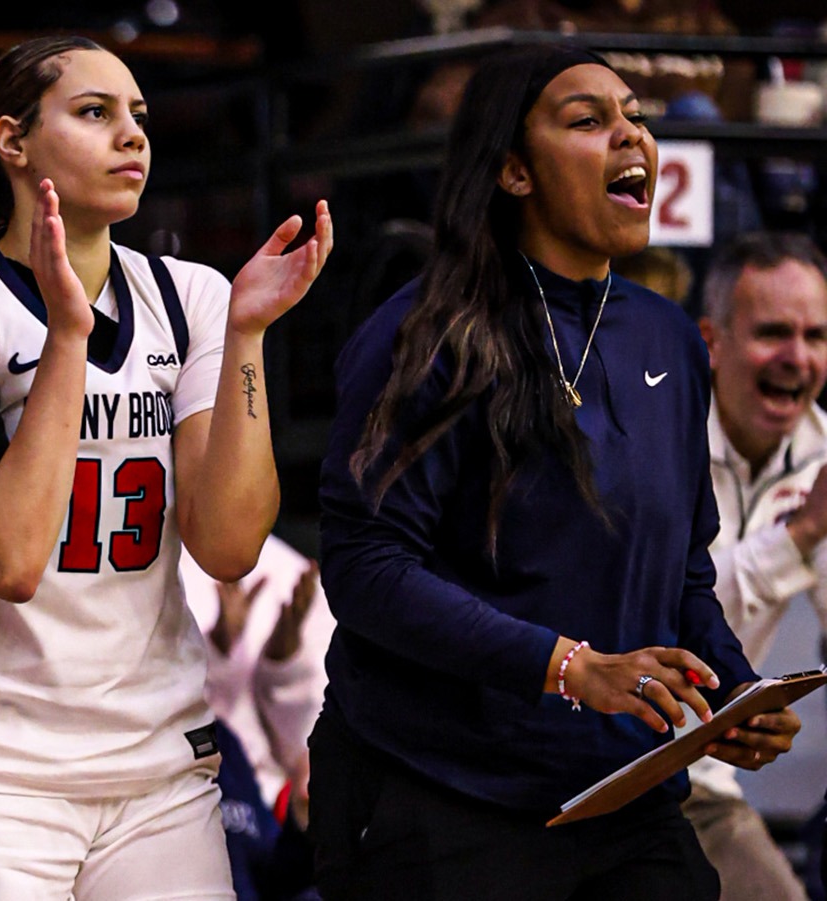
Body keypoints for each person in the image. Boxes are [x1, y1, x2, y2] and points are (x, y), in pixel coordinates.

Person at [316, 45, 801, 901]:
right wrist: (568, 666)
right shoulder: (426, 336)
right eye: (588, 121)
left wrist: (732, 689)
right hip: (440, 794)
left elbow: (682, 573)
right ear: (513, 171)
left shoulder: (668, 339)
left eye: (637, 118)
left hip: (622, 794)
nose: (632, 137)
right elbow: (368, 570)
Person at [0, 36, 333, 899]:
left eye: (139, 118)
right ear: (13, 140)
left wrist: (246, 336)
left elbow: (229, 547)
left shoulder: (193, 295)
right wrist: (69, 338)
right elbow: (7, 558)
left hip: (159, 764)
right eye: (95, 113)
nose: (133, 136)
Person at [690, 231, 827, 901]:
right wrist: (801, 533)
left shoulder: (822, 450)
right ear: (710, 340)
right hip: (591, 761)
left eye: (817, 336)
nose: (797, 358)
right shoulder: (657, 432)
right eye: (774, 332)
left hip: (699, 784)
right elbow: (674, 622)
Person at [180, 534, 333, 813]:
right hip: (176, 788)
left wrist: (283, 661)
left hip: (266, 806)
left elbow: (307, 747)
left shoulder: (293, 574)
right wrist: (217, 649)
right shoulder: (154, 566)